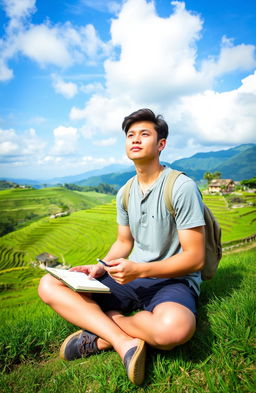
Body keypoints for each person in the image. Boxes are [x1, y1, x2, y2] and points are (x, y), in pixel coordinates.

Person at [38, 108, 205, 386]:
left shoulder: (180, 187)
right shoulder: (125, 192)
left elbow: (196, 258)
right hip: (130, 275)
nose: (135, 139)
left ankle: (99, 335)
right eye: (130, 135)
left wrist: (140, 269)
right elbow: (124, 242)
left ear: (161, 144)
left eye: (144, 134)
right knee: (48, 284)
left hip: (173, 279)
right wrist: (101, 266)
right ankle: (122, 341)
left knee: (174, 331)